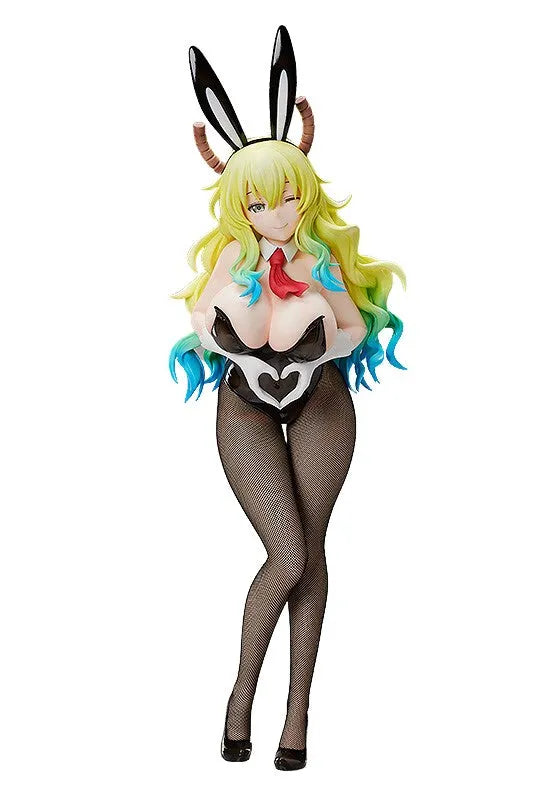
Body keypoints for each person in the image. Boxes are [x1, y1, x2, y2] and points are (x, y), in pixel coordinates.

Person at [169, 26, 405, 771]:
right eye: (264, 202)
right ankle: (242, 693)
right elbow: (201, 323)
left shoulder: (320, 258)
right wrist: (240, 343)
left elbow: (351, 330)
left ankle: (297, 710)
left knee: (313, 549)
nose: (281, 211)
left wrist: (314, 336)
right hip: (246, 403)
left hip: (320, 400)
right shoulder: (232, 259)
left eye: (291, 195)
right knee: (289, 552)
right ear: (242, 206)